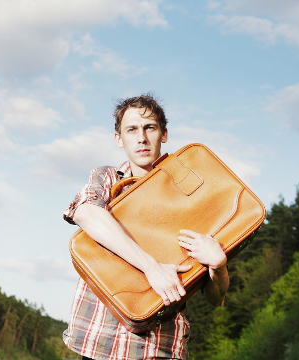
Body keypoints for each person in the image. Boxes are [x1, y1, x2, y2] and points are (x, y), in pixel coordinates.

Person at [62, 94, 230, 360]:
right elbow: (87, 214)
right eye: (132, 129)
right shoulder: (106, 177)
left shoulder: (191, 196)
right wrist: (152, 268)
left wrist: (218, 265)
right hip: (100, 343)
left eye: (149, 127)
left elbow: (214, 297)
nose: (141, 138)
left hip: (160, 348)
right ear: (119, 139)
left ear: (164, 134)